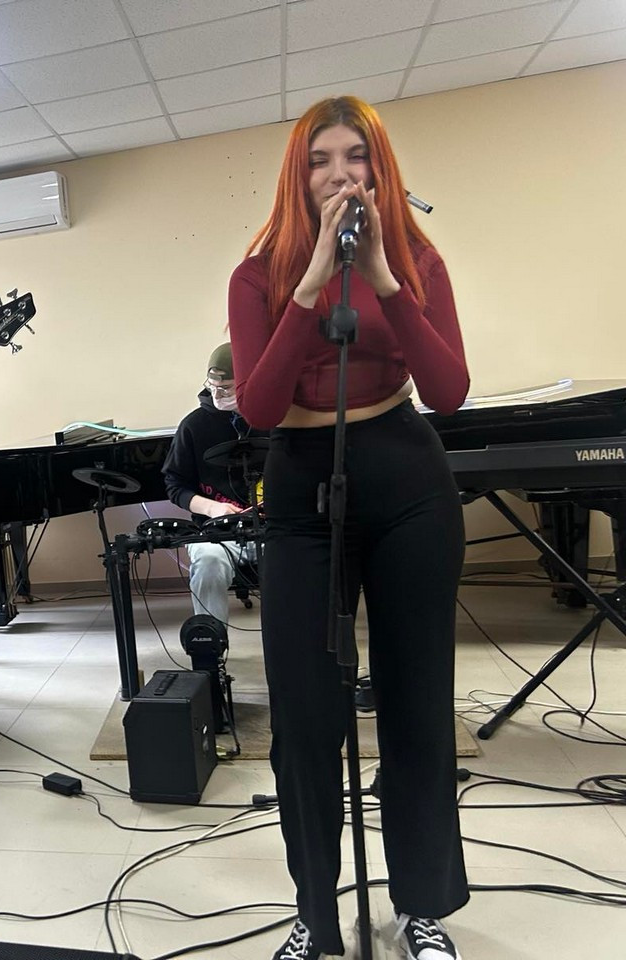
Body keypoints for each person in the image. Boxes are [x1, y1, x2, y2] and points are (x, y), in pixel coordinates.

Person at [227, 97, 470, 960]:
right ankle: (314, 912)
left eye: (355, 156)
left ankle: (421, 906)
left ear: (379, 169)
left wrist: (384, 279)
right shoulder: (257, 275)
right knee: (304, 716)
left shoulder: (418, 260)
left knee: (416, 706)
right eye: (320, 159)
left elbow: (449, 392)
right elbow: (258, 406)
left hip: (407, 478)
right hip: (303, 486)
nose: (339, 173)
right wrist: (310, 281)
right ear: (299, 177)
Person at [161, 341, 262, 629]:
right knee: (208, 560)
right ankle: (211, 643)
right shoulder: (193, 426)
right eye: (212, 386)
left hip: (272, 527)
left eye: (226, 388)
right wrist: (212, 508)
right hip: (217, 531)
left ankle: (296, 646)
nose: (217, 395)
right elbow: (175, 485)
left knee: (300, 556)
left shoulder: (274, 419)